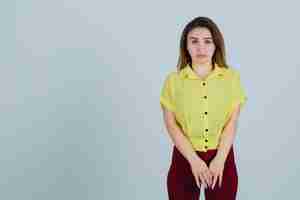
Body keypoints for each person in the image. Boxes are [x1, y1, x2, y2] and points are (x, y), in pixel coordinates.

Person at [159, 16, 247, 200]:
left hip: (221, 157)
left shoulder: (231, 78)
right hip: (184, 157)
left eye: (208, 41)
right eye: (194, 41)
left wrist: (220, 160)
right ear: (186, 46)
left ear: (216, 45)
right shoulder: (173, 82)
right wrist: (194, 161)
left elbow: (232, 122)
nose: (201, 48)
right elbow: (171, 124)